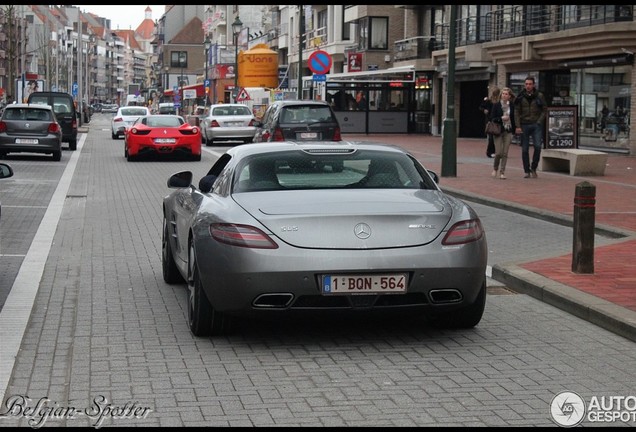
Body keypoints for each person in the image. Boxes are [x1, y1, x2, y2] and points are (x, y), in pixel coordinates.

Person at [514, 76, 547, 178]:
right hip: (524, 125)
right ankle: (526, 170)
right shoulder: (520, 96)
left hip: (536, 124)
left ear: (533, 85)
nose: (528, 86)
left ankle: (533, 167)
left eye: (530, 84)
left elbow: (544, 109)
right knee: (524, 149)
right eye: (526, 84)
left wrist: (539, 121)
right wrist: (518, 126)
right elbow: (516, 111)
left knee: (537, 146)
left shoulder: (539, 96)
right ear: (524, 85)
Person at [489, 87, 516, 180]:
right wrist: (501, 118)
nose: (504, 95)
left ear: (509, 96)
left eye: (506, 94)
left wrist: (515, 129)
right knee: (498, 153)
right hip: (498, 130)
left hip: (508, 130)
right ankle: (495, 168)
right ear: (501, 95)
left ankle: (502, 172)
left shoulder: (512, 106)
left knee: (505, 153)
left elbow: (513, 118)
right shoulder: (496, 105)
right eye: (503, 94)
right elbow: (492, 118)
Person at [479, 86, 500, 158]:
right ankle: (490, 152)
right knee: (491, 137)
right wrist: (484, 110)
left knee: (497, 137)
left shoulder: (499, 101)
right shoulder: (488, 101)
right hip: (490, 120)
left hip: (498, 120)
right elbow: (481, 107)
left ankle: (497, 151)